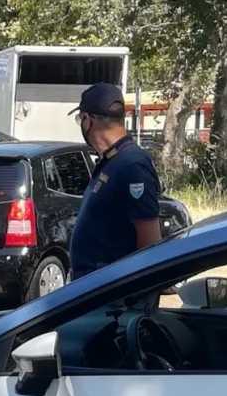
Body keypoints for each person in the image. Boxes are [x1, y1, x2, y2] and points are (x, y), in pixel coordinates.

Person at [69, 83, 162, 280]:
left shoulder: (132, 165)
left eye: (80, 119)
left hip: (113, 301)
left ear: (88, 120)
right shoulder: (112, 161)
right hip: (92, 292)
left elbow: (150, 245)